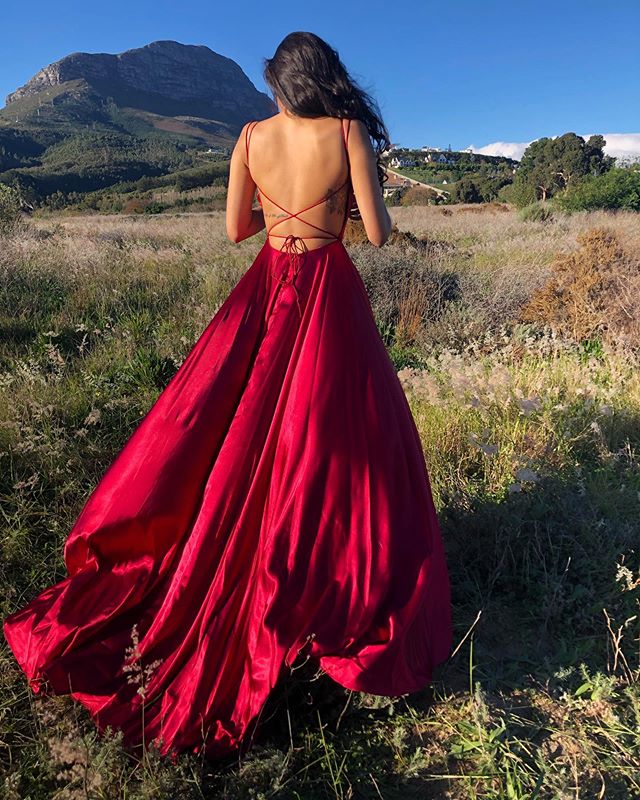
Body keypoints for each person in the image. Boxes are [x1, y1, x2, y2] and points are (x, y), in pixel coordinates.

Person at [3, 31, 453, 763]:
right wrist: (347, 211)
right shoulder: (346, 132)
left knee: (235, 439)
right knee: (342, 449)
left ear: (279, 81)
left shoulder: (247, 136)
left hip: (267, 295)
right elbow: (375, 234)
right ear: (327, 78)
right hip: (328, 300)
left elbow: (235, 229)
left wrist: (281, 217)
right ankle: (328, 594)